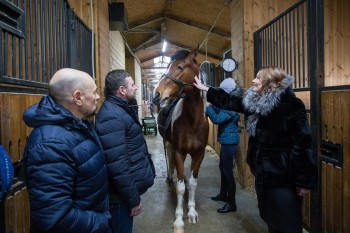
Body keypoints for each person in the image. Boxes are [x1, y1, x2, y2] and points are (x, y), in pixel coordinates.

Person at [194, 66, 317, 233]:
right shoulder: (257, 102)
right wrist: (206, 89)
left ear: (270, 82)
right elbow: (231, 102)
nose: (253, 80)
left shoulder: (292, 105)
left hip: (283, 177)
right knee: (270, 218)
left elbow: (303, 143)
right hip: (263, 174)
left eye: (258, 78)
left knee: (287, 222)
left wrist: (303, 181)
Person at [22, 68, 111, 233]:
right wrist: (102, 222)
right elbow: (55, 219)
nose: (98, 96)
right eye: (94, 92)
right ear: (78, 97)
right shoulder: (50, 145)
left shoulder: (79, 125)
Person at [95, 69, 156, 233]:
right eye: (133, 84)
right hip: (119, 199)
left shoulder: (120, 109)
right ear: (122, 90)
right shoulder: (112, 116)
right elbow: (117, 165)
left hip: (122, 195)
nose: (136, 88)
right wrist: (133, 199)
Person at [206, 78, 243, 213]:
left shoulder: (232, 106)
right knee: (222, 167)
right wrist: (212, 105)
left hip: (230, 142)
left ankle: (231, 203)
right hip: (226, 141)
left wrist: (208, 107)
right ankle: (223, 194)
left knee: (228, 172)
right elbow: (219, 108)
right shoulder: (230, 102)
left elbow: (216, 119)